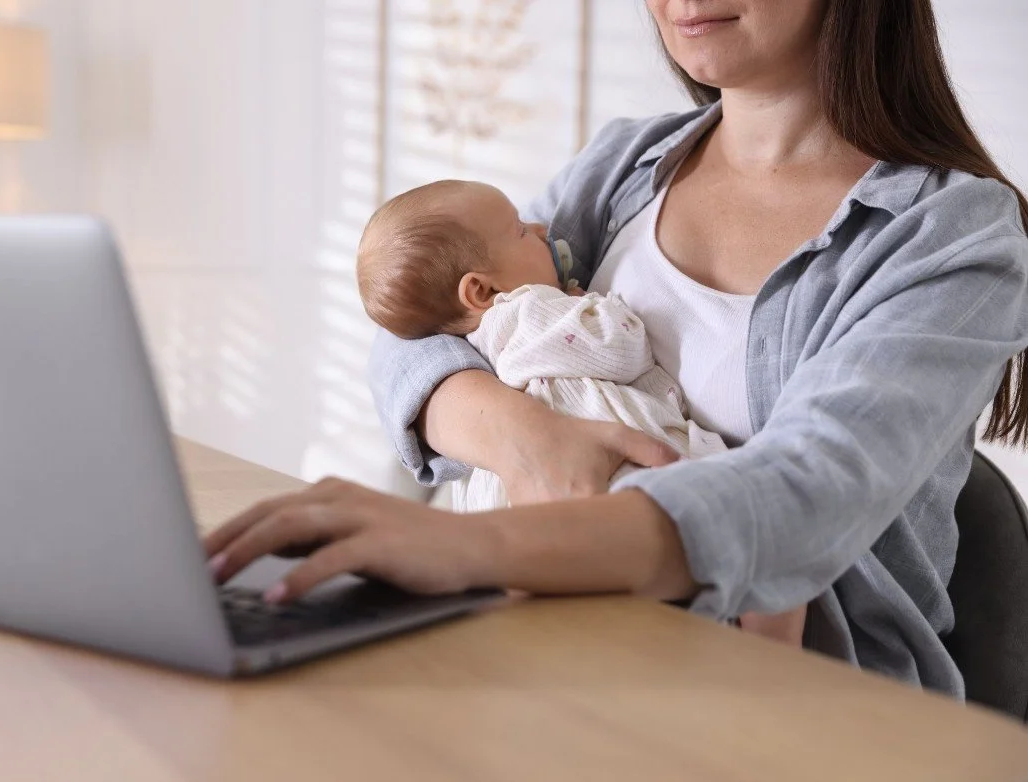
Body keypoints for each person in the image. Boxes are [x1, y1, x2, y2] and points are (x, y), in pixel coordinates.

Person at [205, 0, 1028, 695]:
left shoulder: (952, 233)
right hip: (565, 636)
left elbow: (808, 494)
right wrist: (527, 441)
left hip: (796, 698)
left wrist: (463, 546)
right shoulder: (625, 166)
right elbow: (417, 328)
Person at [353, 178, 805, 643]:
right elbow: (617, 348)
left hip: (519, 507)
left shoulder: (475, 338)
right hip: (612, 476)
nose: (541, 226)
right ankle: (768, 648)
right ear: (481, 292)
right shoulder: (527, 310)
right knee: (767, 546)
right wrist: (594, 307)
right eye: (521, 231)